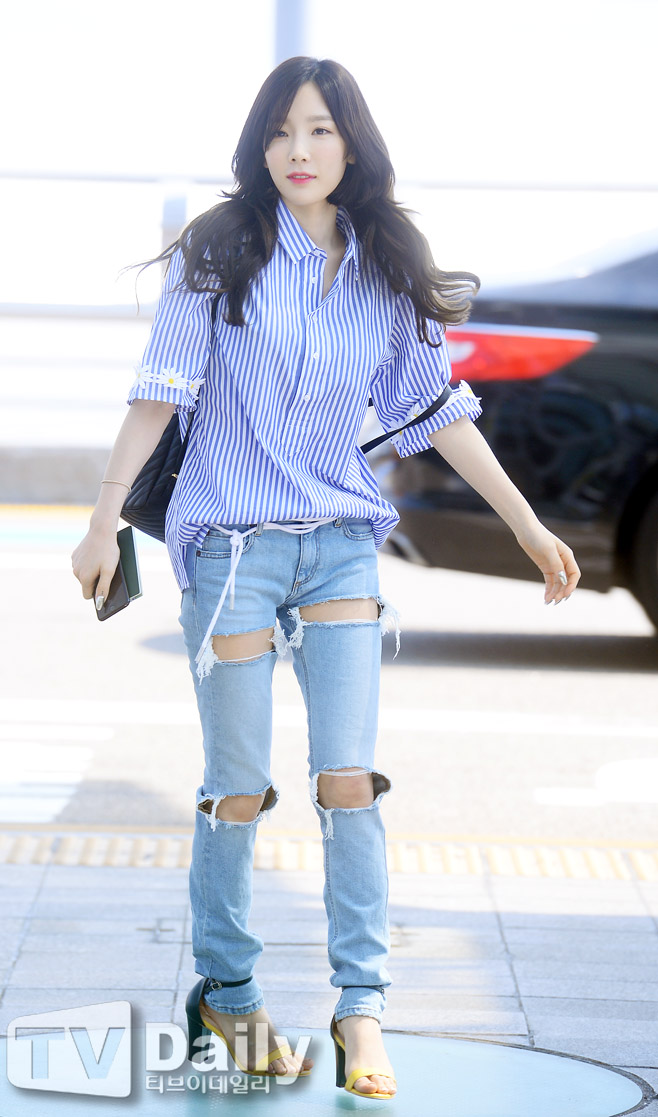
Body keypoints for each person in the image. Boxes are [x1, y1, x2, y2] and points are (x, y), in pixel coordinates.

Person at [72, 56, 580, 1100]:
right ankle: (229, 992)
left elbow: (437, 409)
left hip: (340, 539)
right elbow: (158, 393)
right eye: (279, 132)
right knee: (237, 789)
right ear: (259, 147)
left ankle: (362, 1007)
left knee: (350, 780)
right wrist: (99, 522)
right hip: (231, 551)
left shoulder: (387, 262)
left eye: (317, 131)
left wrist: (529, 526)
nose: (296, 151)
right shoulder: (221, 252)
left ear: (352, 143)